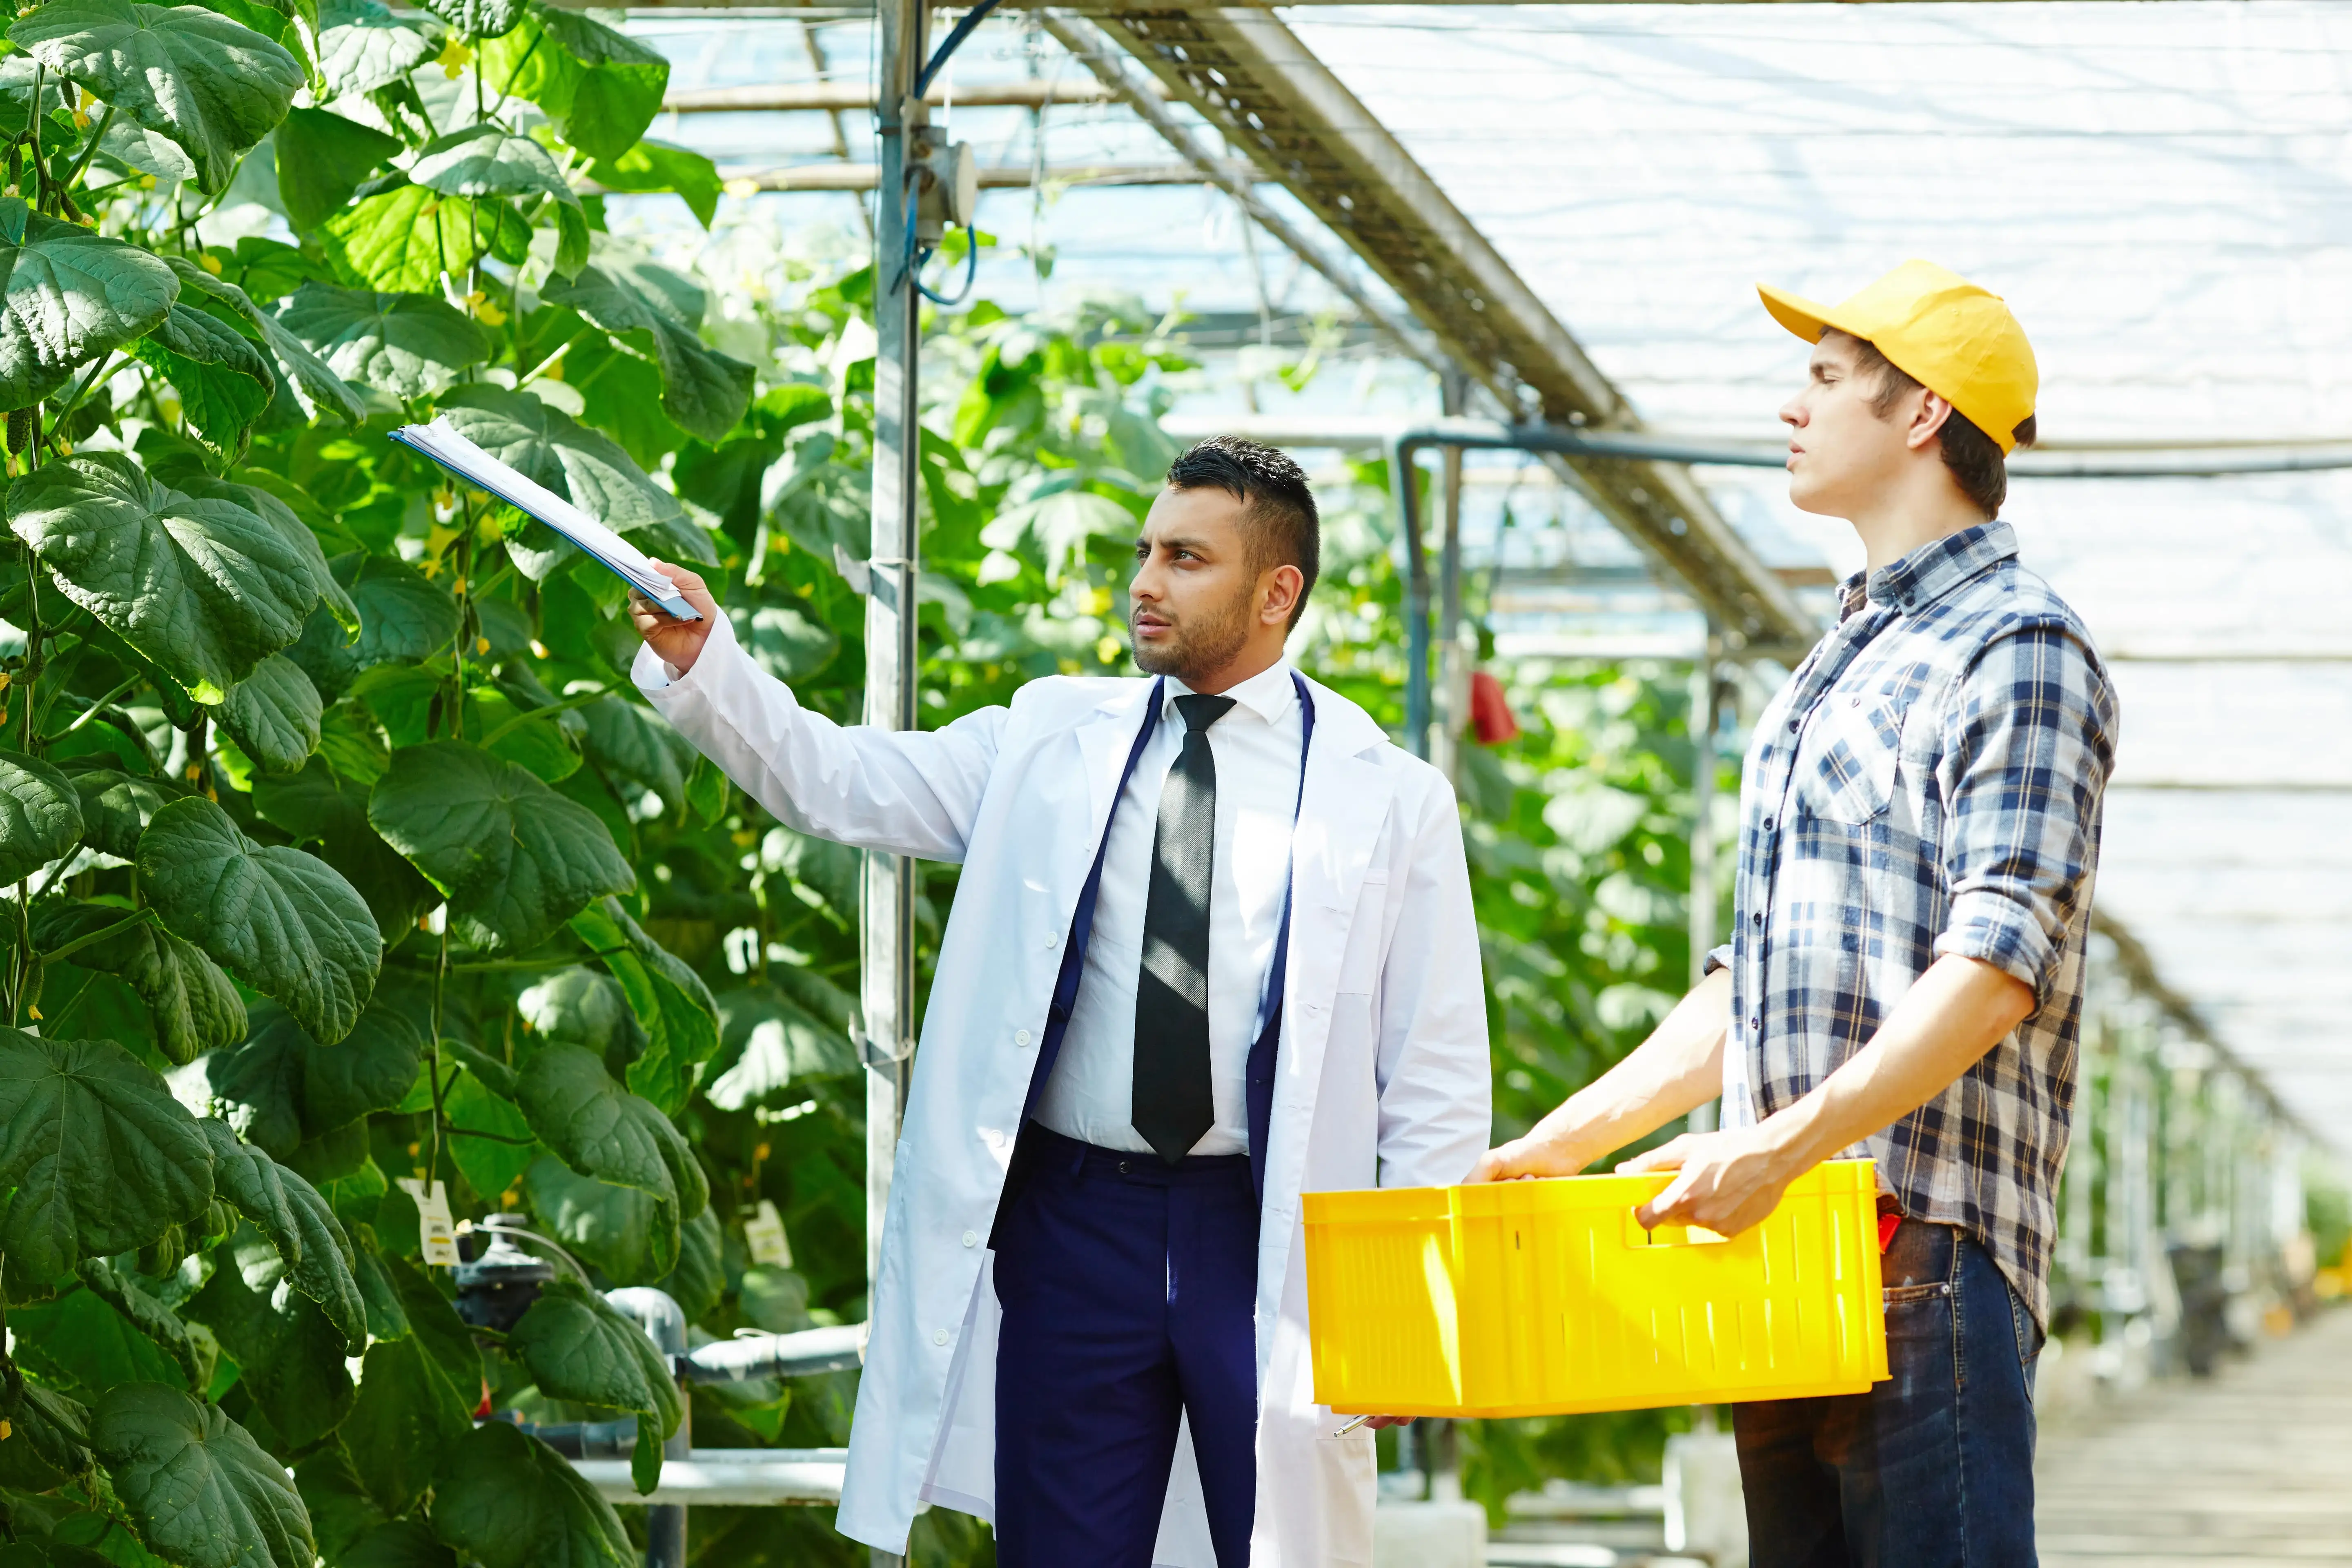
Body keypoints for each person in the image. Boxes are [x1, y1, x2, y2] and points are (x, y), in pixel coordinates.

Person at [629, 437, 1490, 1567]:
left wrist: (1410, 1316)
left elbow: (1430, 1073)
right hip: (1079, 1225)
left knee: (1281, 1546)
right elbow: (841, 782)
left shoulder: (1390, 798)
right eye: (1145, 551)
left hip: (1270, 1234)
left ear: (1278, 593)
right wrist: (712, 668)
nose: (1145, 582)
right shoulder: (1047, 734)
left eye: (1186, 558)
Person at [1473, 261, 2118, 1568]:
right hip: (1788, 1252)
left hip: (1916, 1245)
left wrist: (1776, 1148)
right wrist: (1564, 1142)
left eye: (1824, 379)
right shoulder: (1838, 664)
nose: (1791, 407)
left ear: (1923, 412)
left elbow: (1998, 966)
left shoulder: (2020, 646)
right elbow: (1750, 980)